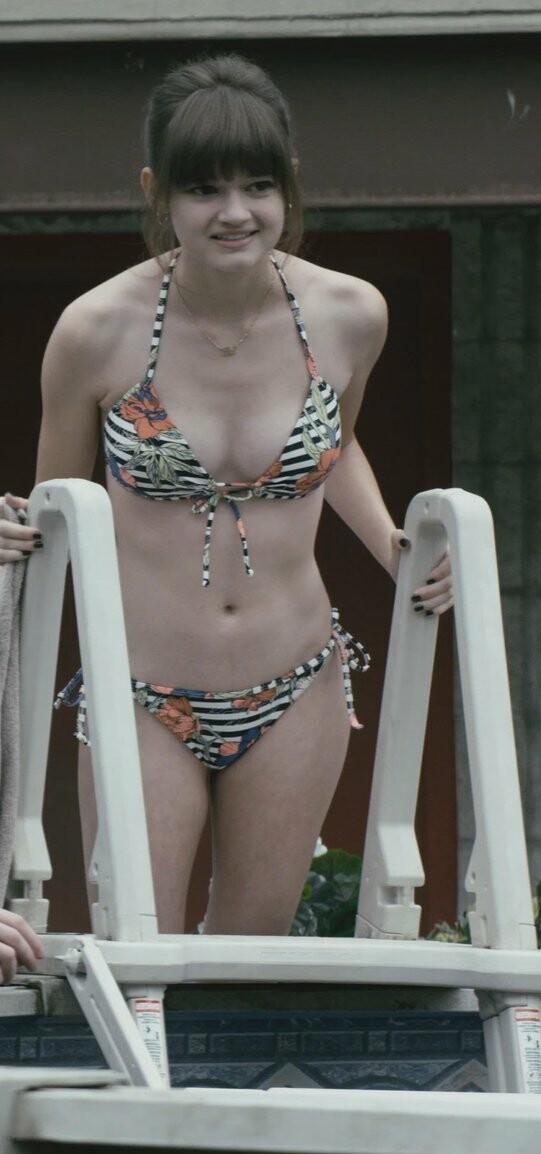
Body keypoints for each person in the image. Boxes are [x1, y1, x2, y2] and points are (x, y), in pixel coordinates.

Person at [0, 53, 451, 957]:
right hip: (143, 690)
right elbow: (58, 507)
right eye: (203, 188)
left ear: (290, 186)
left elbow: (335, 443)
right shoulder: (95, 331)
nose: (234, 211)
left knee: (251, 958)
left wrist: (395, 546)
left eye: (258, 186)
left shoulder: (351, 314)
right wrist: (13, 529)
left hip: (296, 680)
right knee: (141, 952)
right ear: (157, 192)